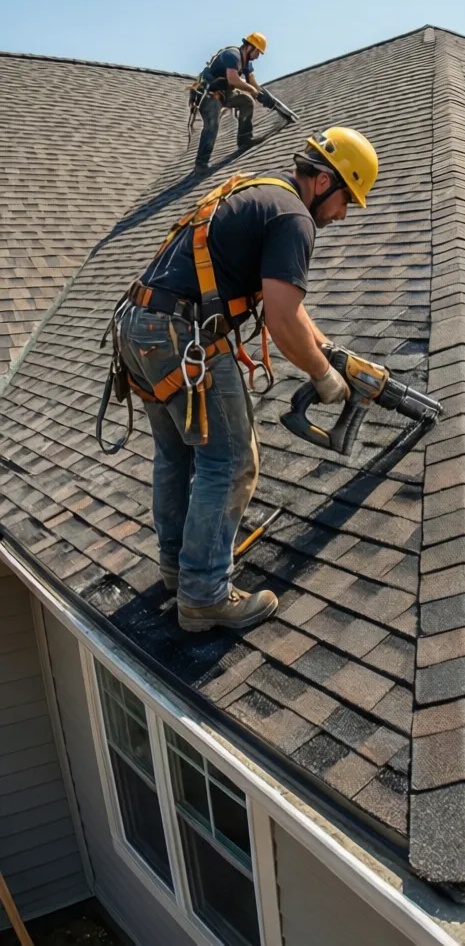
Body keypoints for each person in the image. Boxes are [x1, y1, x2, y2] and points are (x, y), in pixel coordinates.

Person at [114, 127, 378, 631]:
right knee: (232, 462)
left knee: (176, 454)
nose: (343, 215)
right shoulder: (294, 218)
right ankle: (205, 597)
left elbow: (293, 315)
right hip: (181, 338)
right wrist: (322, 377)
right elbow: (280, 320)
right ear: (323, 182)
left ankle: (178, 569)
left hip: (138, 327)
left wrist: (329, 353)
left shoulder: (260, 194)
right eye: (346, 199)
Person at [193, 32, 269, 172]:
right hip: (209, 94)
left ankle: (244, 140)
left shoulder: (247, 63)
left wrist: (263, 96)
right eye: (258, 52)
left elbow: (252, 81)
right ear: (250, 47)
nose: (258, 56)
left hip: (225, 94)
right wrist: (252, 90)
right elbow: (233, 79)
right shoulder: (232, 55)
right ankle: (200, 164)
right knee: (212, 125)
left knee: (247, 101)